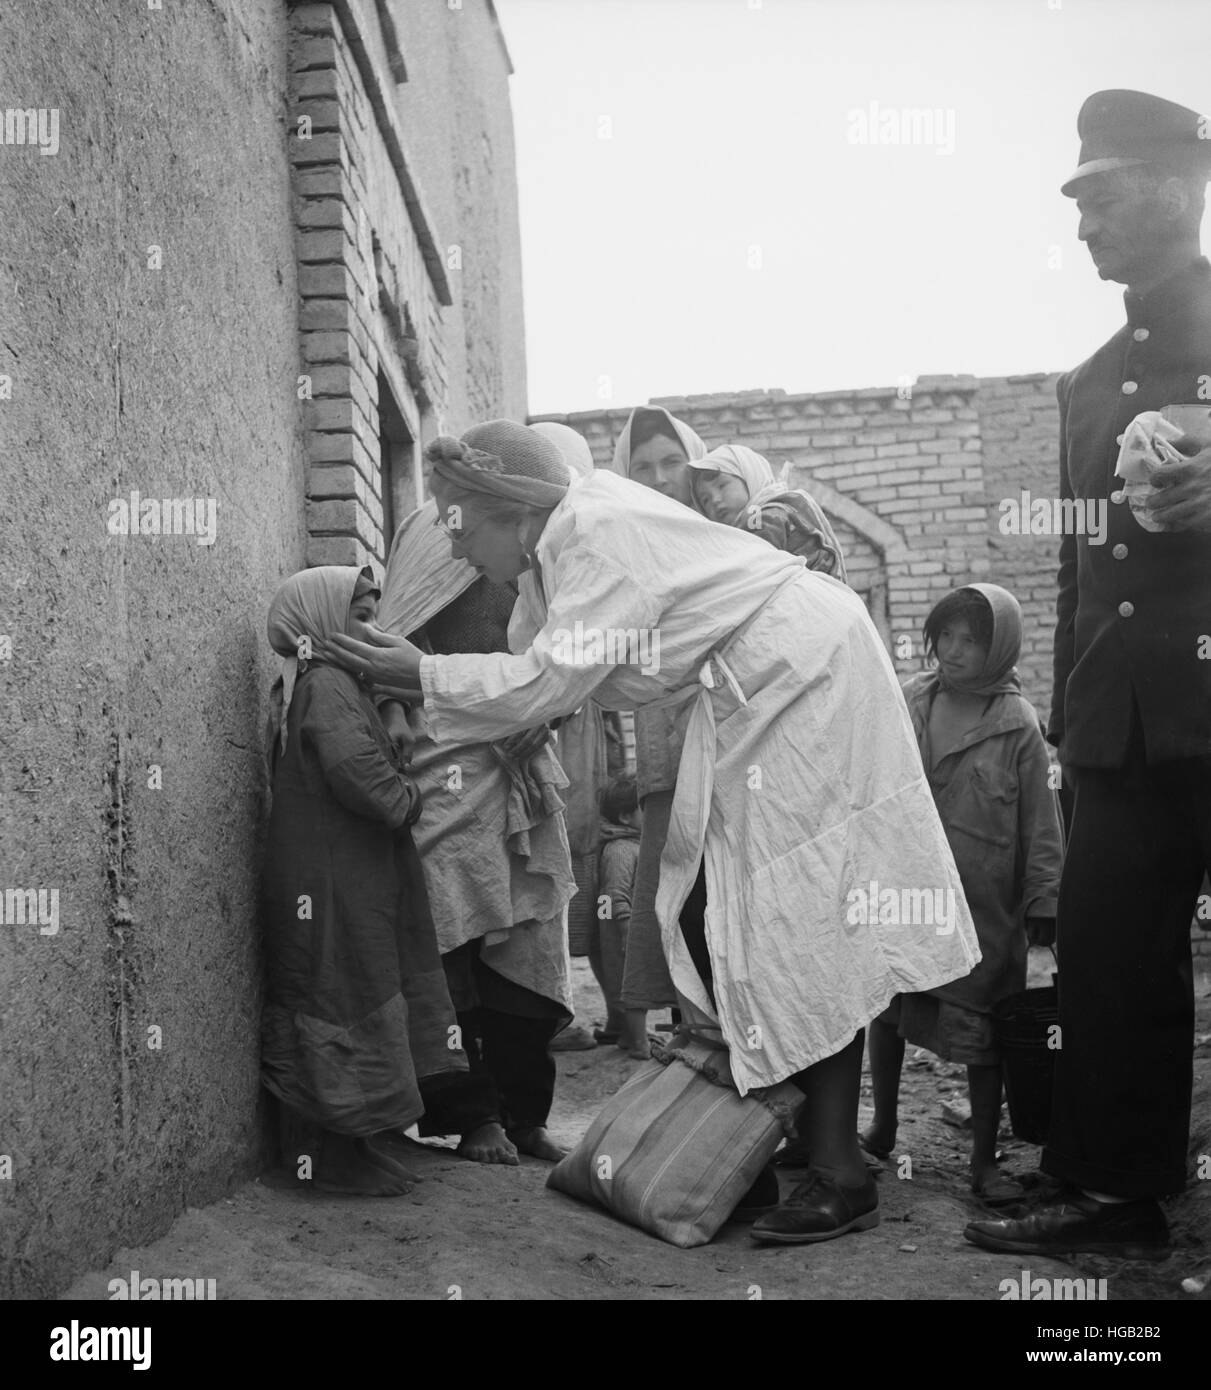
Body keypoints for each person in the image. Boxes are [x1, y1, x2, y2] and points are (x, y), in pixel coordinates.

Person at [324, 419, 983, 1244]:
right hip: (756, 686)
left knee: (794, 920)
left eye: (459, 523)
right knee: (738, 921)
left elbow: (543, 682)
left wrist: (415, 674)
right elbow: (541, 668)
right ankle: (771, 1147)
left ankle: (838, 1172)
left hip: (800, 675)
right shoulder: (553, 552)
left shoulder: (592, 534)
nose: (454, 551)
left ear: (512, 509)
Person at [967, 90, 1211, 1259]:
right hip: (1120, 723)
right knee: (1110, 960)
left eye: (1101, 196)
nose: (1081, 226)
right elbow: (1073, 567)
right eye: (1075, 200)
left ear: (1175, 187)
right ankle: (1116, 1196)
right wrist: (1069, 715)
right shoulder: (1085, 378)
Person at [375, 500, 577, 1165]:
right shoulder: (434, 539)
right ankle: (472, 1116)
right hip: (442, 763)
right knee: (448, 945)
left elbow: (569, 666)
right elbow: (388, 657)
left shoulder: (535, 549)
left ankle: (525, 1116)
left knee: (528, 947)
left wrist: (545, 715)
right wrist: (396, 710)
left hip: (522, 771)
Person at [261, 565, 471, 1195]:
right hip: (329, 881)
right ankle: (328, 1155)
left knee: (362, 985)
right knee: (339, 992)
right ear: (321, 621)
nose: (372, 628)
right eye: (358, 614)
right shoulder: (326, 683)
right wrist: (408, 796)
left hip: (352, 874)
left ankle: (354, 1143)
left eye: (375, 612)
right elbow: (360, 776)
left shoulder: (340, 680)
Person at [864, 584, 1062, 1204]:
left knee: (983, 1033)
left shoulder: (1018, 725)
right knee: (892, 1008)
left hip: (984, 912)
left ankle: (983, 1160)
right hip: (907, 892)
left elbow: (1041, 821)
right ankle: (882, 1127)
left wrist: (1044, 898)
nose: (952, 651)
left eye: (969, 641)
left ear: (997, 648)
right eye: (944, 637)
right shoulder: (913, 700)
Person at [610, 406, 708, 1025]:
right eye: (643, 466)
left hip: (726, 758)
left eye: (673, 462)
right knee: (675, 907)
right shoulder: (627, 551)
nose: (660, 477)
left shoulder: (722, 539)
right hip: (663, 768)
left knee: (722, 906)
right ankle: (689, 1045)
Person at [687, 443, 848, 578]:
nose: (715, 500)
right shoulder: (765, 513)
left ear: (750, 478)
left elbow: (757, 570)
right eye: (705, 500)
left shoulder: (760, 516)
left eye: (722, 486)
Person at [594, 773, 649, 1059]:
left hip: (627, 930)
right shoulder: (620, 850)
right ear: (626, 817)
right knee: (633, 990)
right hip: (623, 932)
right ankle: (640, 1044)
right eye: (645, 808)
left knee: (633, 987)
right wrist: (627, 926)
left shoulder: (633, 844)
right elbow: (615, 892)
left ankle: (630, 1037)